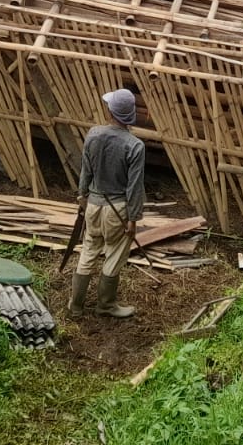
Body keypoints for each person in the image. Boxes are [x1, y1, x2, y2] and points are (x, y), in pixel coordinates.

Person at [67, 88, 146, 319]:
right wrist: (133, 219)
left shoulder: (93, 134)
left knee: (89, 250)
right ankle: (106, 305)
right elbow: (134, 187)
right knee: (114, 255)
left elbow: (86, 171)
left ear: (110, 111)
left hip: (93, 204)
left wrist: (82, 196)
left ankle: (76, 305)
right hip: (118, 210)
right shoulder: (135, 146)